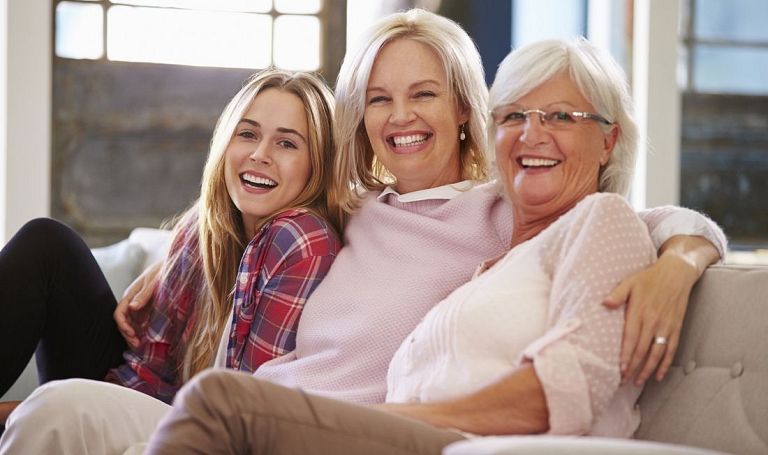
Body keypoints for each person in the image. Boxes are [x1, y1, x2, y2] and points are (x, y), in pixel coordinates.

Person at [0, 9, 724, 455]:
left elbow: (638, 217)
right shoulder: (353, 206)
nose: (400, 116)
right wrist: (167, 253)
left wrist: (683, 259)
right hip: (252, 404)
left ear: (465, 109)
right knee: (54, 406)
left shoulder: (504, 212)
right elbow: (253, 194)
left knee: (58, 406)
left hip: (324, 428)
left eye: (423, 95)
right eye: (380, 99)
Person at [0, 69, 340, 437]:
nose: (260, 154)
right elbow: (149, 371)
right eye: (248, 134)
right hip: (147, 393)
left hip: (194, 418)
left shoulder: (302, 240)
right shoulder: (205, 226)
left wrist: (23, 410)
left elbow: (246, 410)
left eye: (287, 143)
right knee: (48, 243)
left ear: (318, 164)